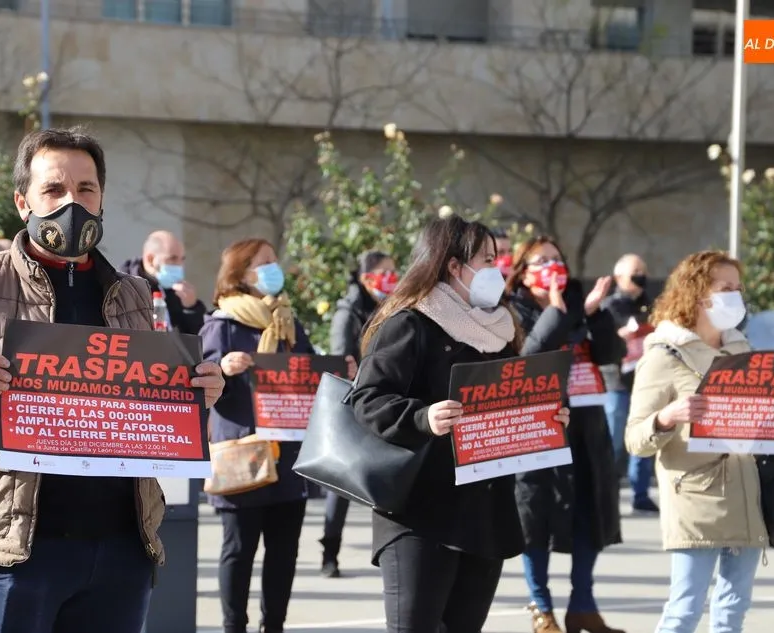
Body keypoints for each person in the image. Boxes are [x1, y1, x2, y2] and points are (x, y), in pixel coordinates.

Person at [0, 127, 225, 633]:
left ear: (102, 199)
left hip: (120, 552)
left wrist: (197, 393)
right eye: (54, 189)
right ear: (23, 202)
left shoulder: (137, 296)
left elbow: (149, 405)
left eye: (86, 189)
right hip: (11, 552)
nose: (72, 203)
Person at [351, 216, 571, 633]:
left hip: (484, 513)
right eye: (487, 259)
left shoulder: (501, 327)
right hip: (419, 511)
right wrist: (423, 417)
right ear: (454, 266)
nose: (497, 267)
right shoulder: (410, 322)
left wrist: (546, 418)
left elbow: (508, 401)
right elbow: (368, 398)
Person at [199, 238, 356, 633]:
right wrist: (223, 367)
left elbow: (308, 372)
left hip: (287, 455)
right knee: (238, 550)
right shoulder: (221, 324)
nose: (273, 269)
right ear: (241, 273)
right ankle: (234, 626)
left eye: (274, 261)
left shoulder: (287, 320)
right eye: (264, 262)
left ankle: (274, 626)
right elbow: (199, 381)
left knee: (284, 552)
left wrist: (340, 370)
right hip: (243, 455)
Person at [626, 250, 766, 633]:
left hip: (746, 493)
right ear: (697, 292)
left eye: (738, 289)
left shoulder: (741, 348)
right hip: (695, 496)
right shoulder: (664, 354)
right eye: (725, 288)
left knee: (733, 610)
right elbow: (635, 438)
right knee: (685, 610)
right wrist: (667, 417)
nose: (735, 296)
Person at [506, 236, 625, 633]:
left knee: (590, 515)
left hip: (586, 429)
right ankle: (541, 607)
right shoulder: (510, 311)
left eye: (556, 259)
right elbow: (527, 362)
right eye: (541, 261)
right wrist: (558, 315)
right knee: (535, 519)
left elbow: (611, 354)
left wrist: (593, 314)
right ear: (523, 274)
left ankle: (583, 605)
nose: (552, 266)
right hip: (538, 430)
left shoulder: (580, 306)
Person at [319, 249, 398, 578]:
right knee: (342, 485)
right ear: (367, 278)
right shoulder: (348, 311)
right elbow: (341, 361)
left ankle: (392, 550)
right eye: (385, 272)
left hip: (385, 400)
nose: (392, 279)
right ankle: (330, 551)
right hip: (354, 402)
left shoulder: (392, 307)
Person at [600, 253, 658, 514]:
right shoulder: (608, 307)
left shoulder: (652, 306)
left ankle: (641, 494)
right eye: (635, 272)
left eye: (643, 271)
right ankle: (607, 495)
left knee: (644, 440)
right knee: (613, 442)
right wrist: (622, 335)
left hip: (645, 384)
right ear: (619, 277)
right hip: (617, 383)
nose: (641, 276)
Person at [119, 230, 206, 335]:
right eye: (172, 259)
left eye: (182, 259)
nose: (180, 265)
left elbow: (197, 338)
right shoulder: (122, 288)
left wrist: (191, 309)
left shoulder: (176, 292)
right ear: (150, 259)